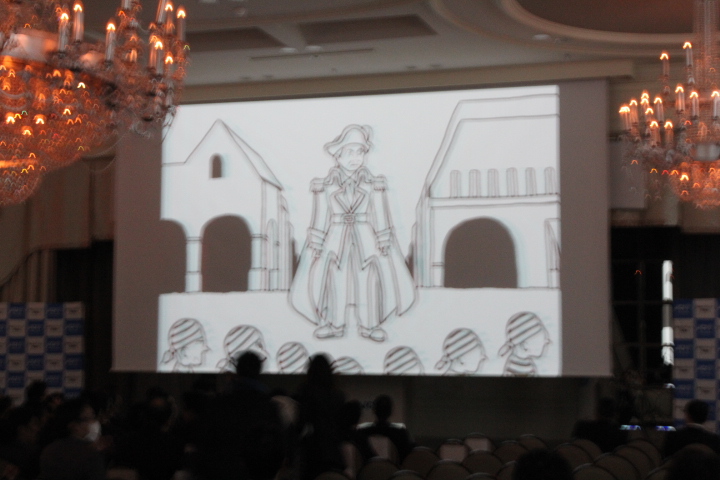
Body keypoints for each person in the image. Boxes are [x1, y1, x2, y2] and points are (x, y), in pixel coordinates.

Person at [290, 124, 416, 342]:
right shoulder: (324, 186)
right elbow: (319, 216)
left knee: (368, 279)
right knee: (336, 279)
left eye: (360, 152)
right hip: (335, 238)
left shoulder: (374, 184)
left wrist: (383, 238)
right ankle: (335, 324)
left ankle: (369, 325)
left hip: (366, 237)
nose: (355, 158)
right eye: (349, 152)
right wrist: (317, 242)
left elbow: (381, 214)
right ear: (338, 156)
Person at [195, 351, 285, 480]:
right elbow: (277, 447)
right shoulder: (268, 407)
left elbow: (204, 443)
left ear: (237, 370)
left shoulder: (219, 405)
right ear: (259, 371)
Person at [38, 398, 105, 480]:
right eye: (88, 418)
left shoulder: (49, 450)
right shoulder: (89, 454)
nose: (92, 422)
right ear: (74, 425)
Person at [355, 395, 415, 462]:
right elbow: (408, 454)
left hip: (368, 468)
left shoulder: (362, 432)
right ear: (390, 412)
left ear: (374, 411)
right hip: (394, 468)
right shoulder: (400, 433)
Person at [498, 312, 551, 377]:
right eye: (540, 340)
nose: (546, 342)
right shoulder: (514, 366)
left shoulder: (526, 362)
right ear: (525, 346)